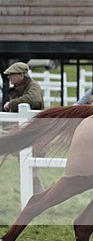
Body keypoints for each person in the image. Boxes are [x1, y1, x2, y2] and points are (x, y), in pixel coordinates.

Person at [3, 62, 46, 193]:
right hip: (25, 136)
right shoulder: (17, 89)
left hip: (36, 137)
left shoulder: (34, 87)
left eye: (11, 75)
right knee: (26, 169)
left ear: (21, 75)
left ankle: (38, 196)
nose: (9, 77)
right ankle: (35, 196)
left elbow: (34, 99)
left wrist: (12, 104)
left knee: (30, 171)